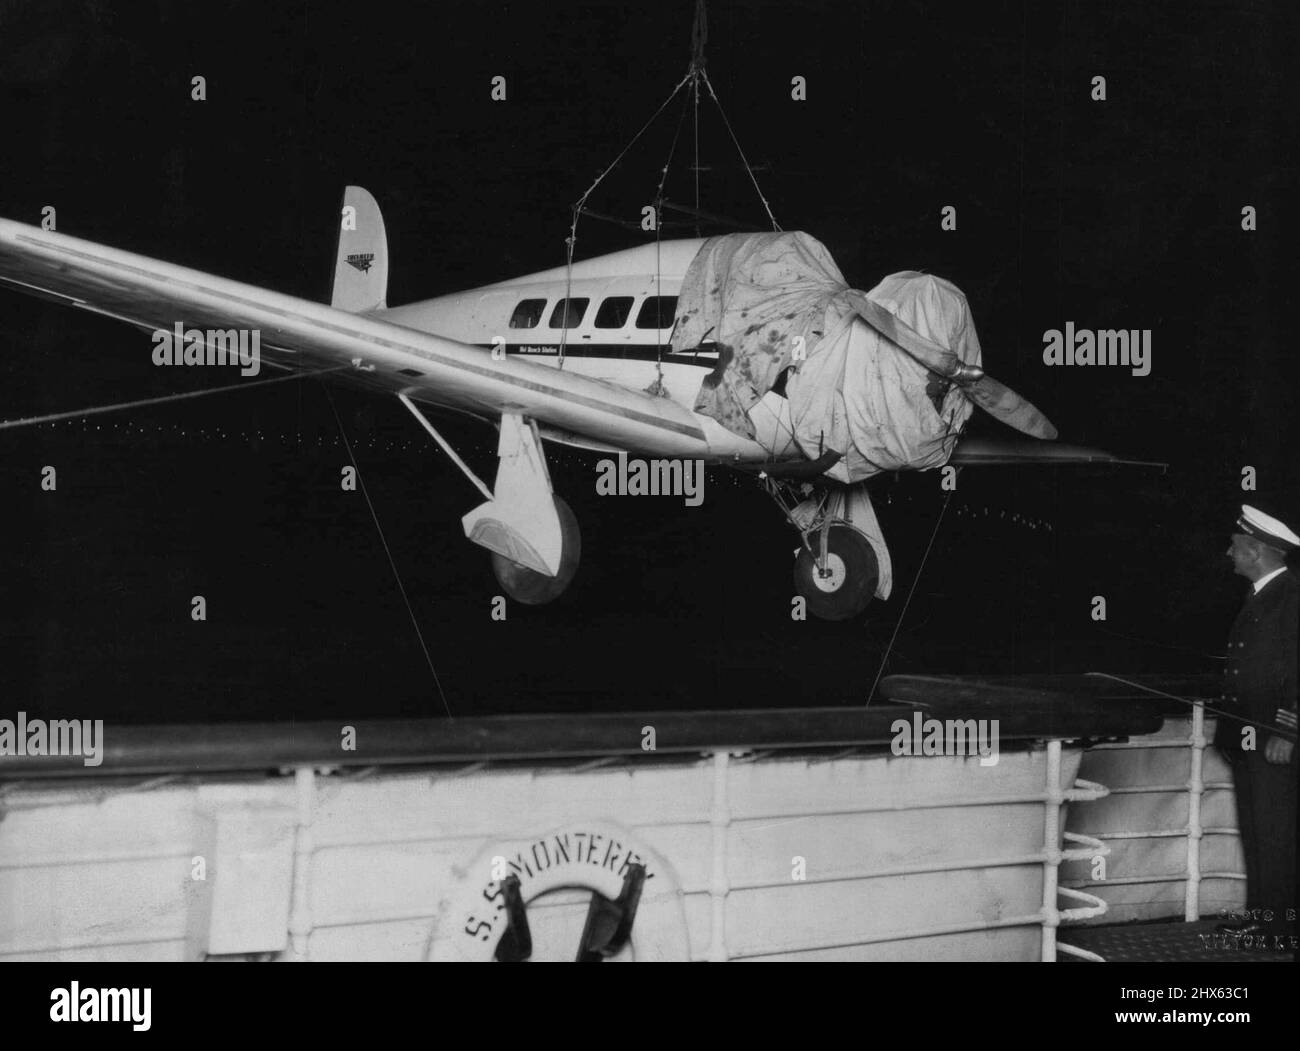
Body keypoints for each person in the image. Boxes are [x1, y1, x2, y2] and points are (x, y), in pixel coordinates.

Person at [1213, 505, 1298, 938]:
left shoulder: (1291, 597)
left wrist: (1288, 730)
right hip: (1248, 736)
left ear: (1256, 550)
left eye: (1235, 545)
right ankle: (1262, 920)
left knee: (1276, 834)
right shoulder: (1263, 594)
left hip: (1273, 738)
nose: (1229, 551)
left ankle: (1280, 930)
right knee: (1257, 830)